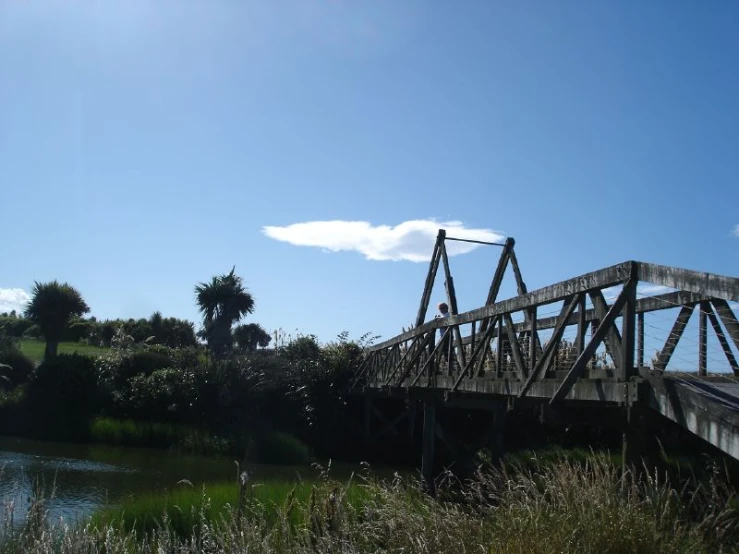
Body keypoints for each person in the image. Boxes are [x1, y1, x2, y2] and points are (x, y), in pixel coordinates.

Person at [435, 302, 451, 367]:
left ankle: (450, 365)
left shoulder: (448, 315)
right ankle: (448, 364)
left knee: (446, 350)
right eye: (440, 309)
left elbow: (445, 323)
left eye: (441, 308)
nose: (440, 310)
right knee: (445, 351)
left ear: (445, 308)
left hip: (447, 335)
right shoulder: (444, 315)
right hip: (443, 336)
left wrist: (438, 320)